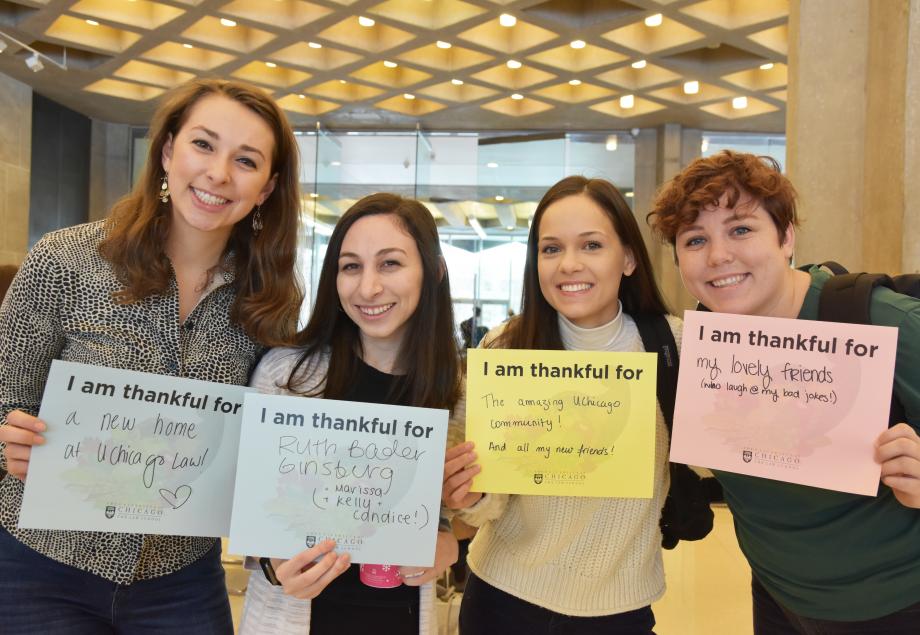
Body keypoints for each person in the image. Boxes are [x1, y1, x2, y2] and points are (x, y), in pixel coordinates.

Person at [0, 78, 303, 633]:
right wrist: (7, 436)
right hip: (39, 566)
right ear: (167, 151)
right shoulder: (64, 259)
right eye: (203, 145)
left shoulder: (270, 300)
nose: (218, 174)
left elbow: (272, 440)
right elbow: (3, 394)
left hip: (180, 576)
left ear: (266, 188)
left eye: (246, 160)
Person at [648, 150, 920, 634]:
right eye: (695, 239)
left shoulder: (880, 320)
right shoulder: (700, 344)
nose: (717, 256)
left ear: (787, 236)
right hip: (776, 596)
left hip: (893, 605)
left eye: (741, 229)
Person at [442, 176, 679, 635]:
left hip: (620, 608)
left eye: (591, 245)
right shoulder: (506, 347)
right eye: (550, 250)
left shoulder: (675, 345)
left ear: (628, 257)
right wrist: (469, 495)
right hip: (501, 598)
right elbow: (488, 500)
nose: (568, 264)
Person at [239, 193, 465, 635]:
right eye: (351, 266)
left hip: (401, 617)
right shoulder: (288, 376)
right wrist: (273, 564)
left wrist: (450, 544)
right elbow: (256, 514)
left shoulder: (455, 392)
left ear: (433, 272)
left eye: (390, 264)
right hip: (296, 618)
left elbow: (456, 515)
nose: (368, 288)